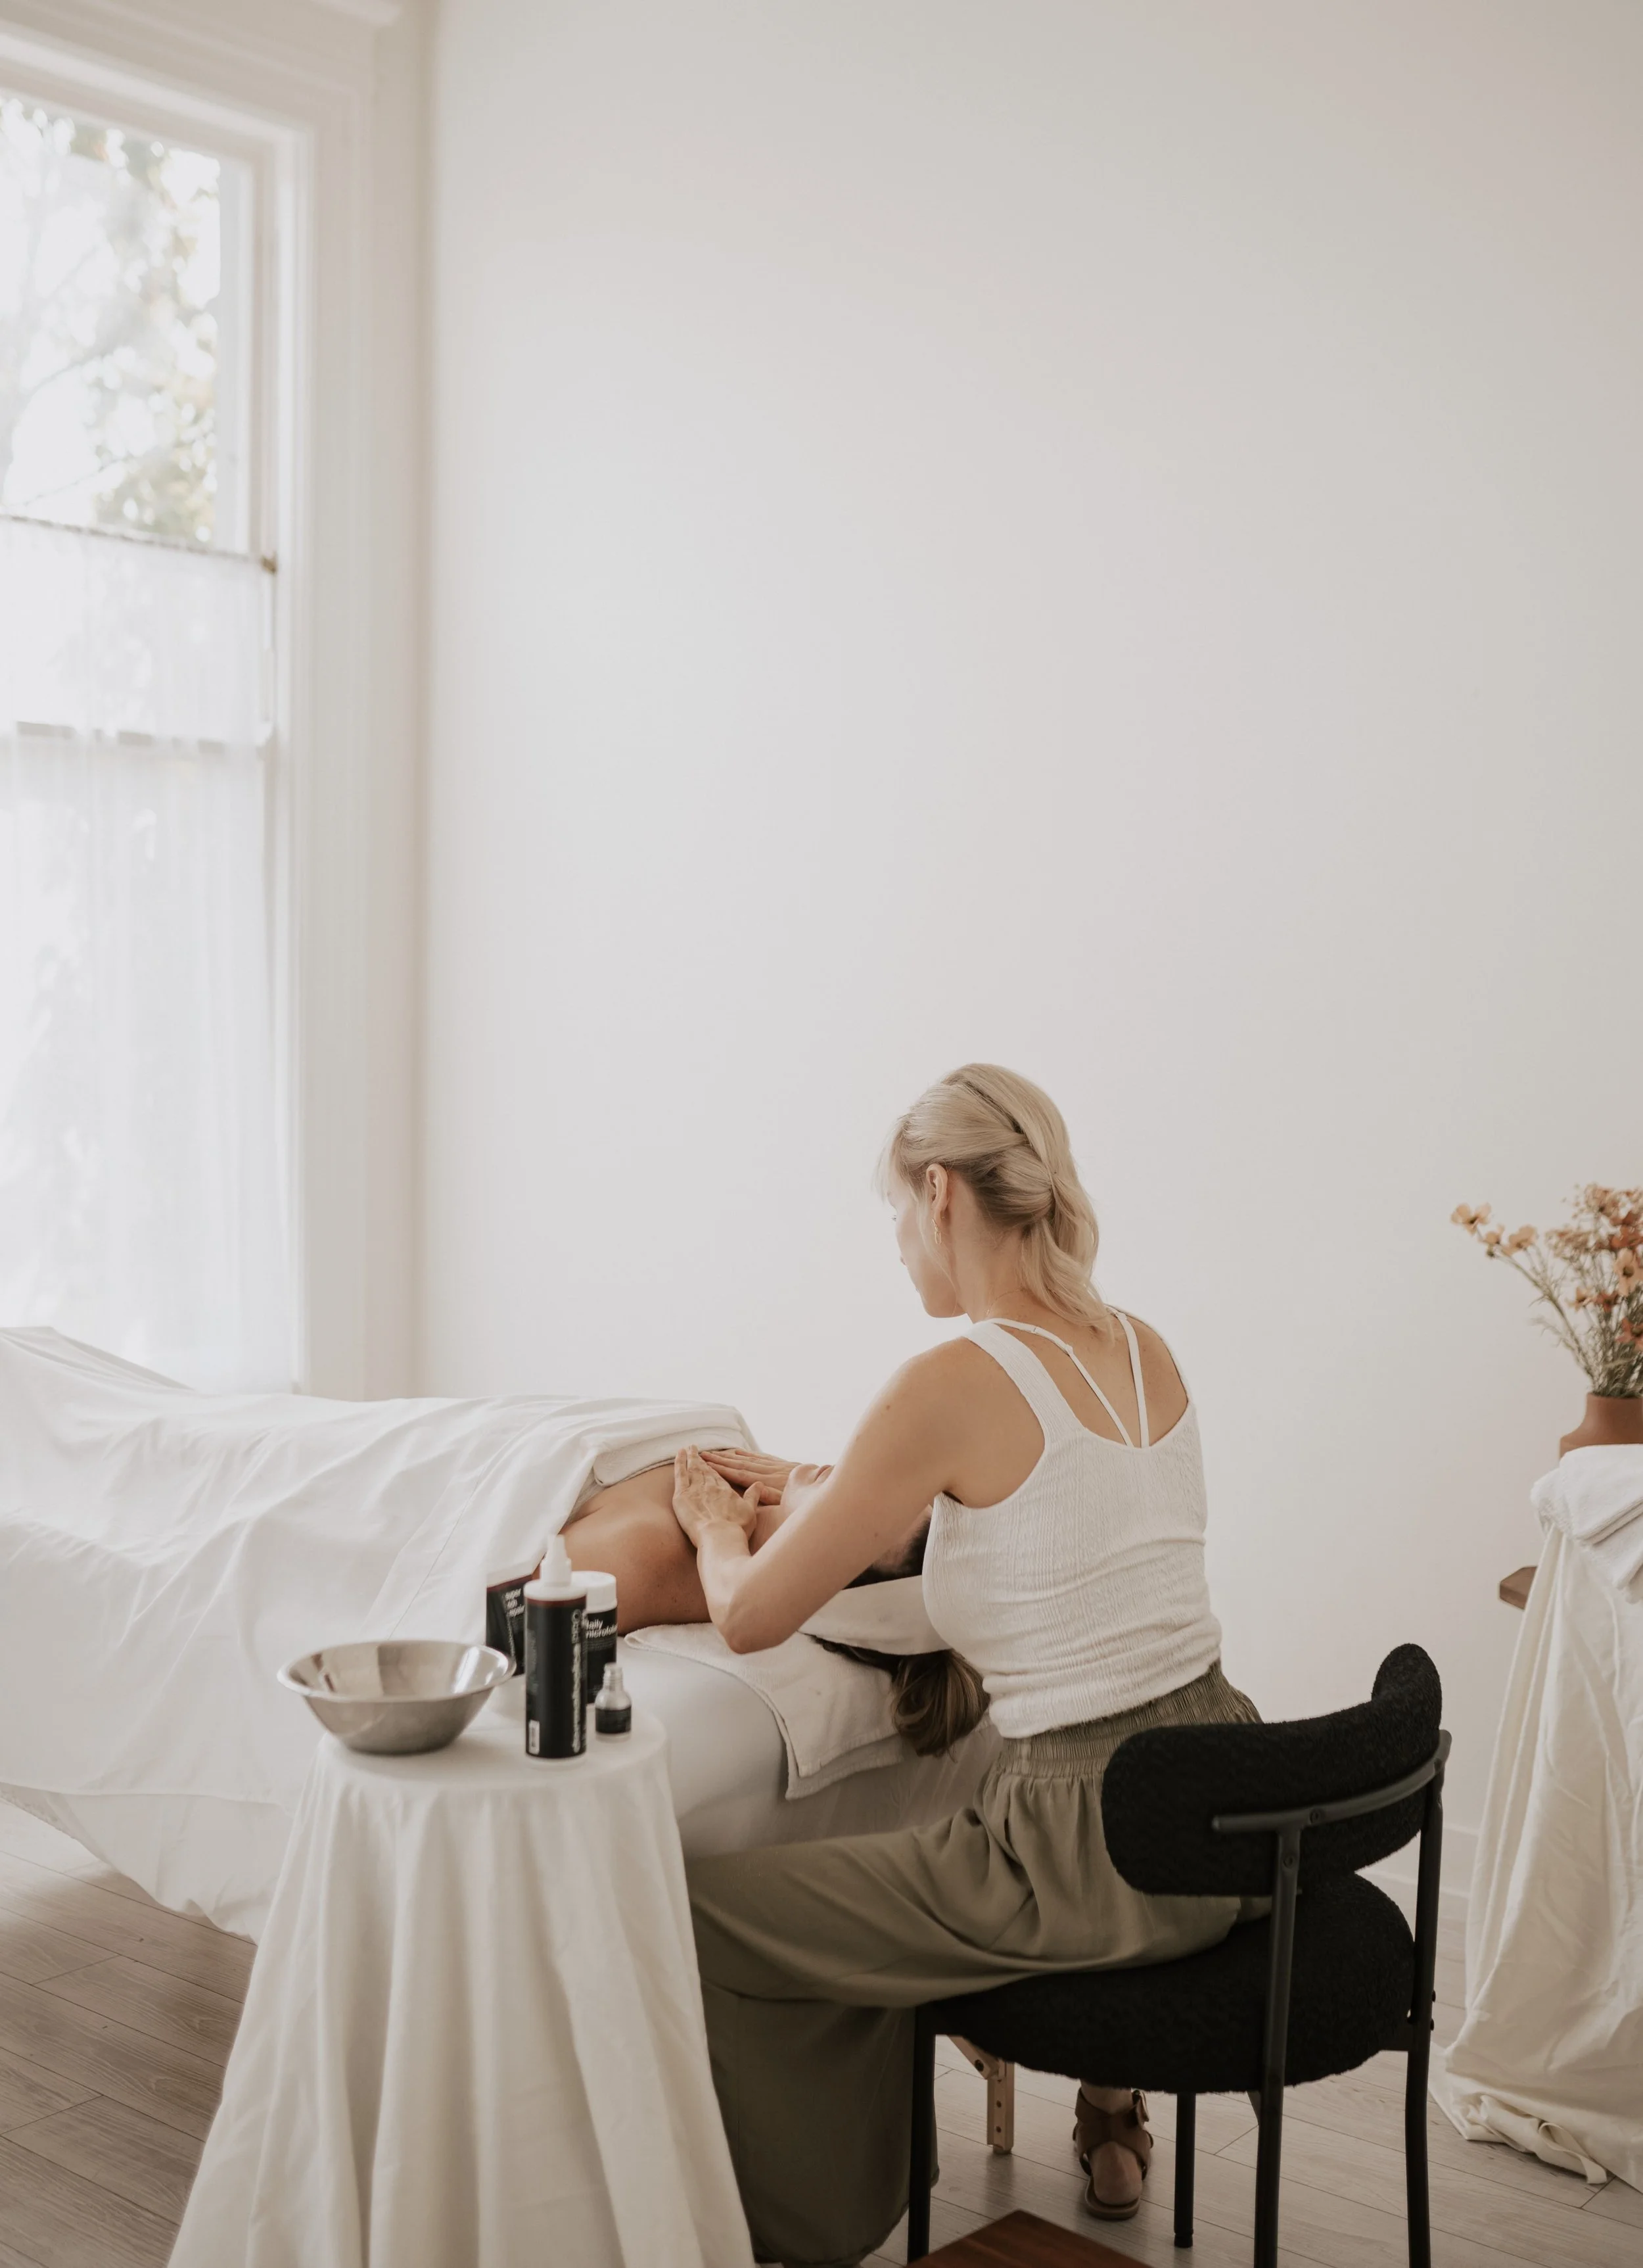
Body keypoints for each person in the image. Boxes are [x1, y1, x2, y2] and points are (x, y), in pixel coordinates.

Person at [667, 1063, 1260, 2267]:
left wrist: (718, 1528)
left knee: (696, 1911)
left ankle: (823, 2219)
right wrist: (839, 1490)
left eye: (896, 1211)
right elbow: (1043, 1530)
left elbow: (750, 1617)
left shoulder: (949, 1380)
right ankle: (1086, 2110)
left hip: (1085, 1851)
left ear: (940, 1192)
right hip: (1230, 1813)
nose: (897, 1243)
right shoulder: (1142, 1345)